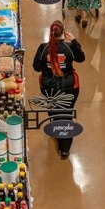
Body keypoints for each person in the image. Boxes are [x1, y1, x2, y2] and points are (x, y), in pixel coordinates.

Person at [33, 20, 85, 159]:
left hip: (48, 87)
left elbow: (36, 67)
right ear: (64, 31)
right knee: (67, 113)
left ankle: (55, 128)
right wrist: (74, 41)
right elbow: (81, 58)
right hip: (69, 86)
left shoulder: (43, 48)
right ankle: (65, 149)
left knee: (53, 111)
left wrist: (47, 66)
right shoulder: (69, 48)